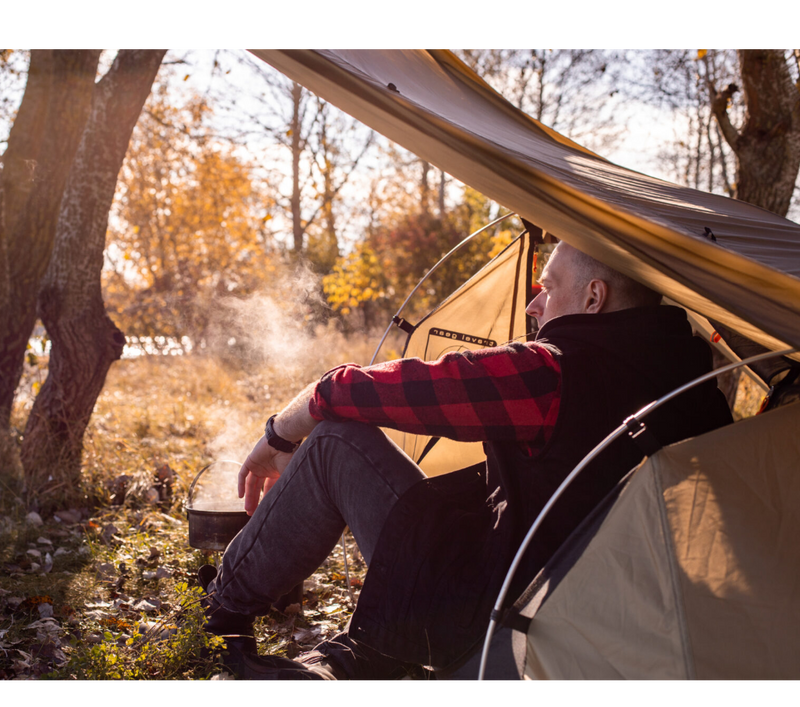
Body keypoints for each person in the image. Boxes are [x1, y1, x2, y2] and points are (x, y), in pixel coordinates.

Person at [200, 241, 733, 682]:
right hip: (610, 624)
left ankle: (220, 613)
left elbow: (400, 390)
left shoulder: (553, 375)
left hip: (496, 613)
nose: (532, 307)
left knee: (336, 441)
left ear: (594, 297)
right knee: (466, 492)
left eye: (547, 288)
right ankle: (361, 658)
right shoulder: (695, 386)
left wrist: (283, 429)